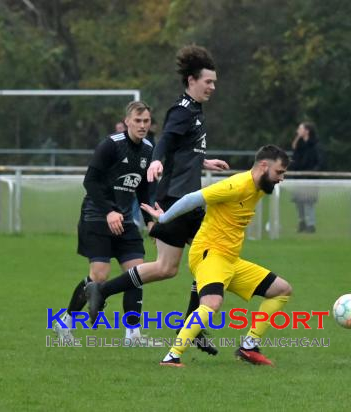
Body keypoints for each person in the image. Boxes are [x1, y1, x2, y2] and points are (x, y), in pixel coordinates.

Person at [85, 45, 229, 355]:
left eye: (214, 82)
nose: (213, 87)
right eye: (208, 82)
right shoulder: (182, 110)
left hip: (189, 198)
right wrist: (157, 160)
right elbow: (164, 140)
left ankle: (191, 324)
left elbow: (182, 147)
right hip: (178, 200)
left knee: (198, 262)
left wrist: (204, 161)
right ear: (191, 80)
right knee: (180, 265)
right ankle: (105, 291)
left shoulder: (195, 109)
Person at [140, 145, 292, 367]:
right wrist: (162, 219)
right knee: (212, 303)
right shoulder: (236, 185)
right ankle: (171, 357)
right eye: (279, 172)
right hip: (208, 254)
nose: (282, 178)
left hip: (230, 260)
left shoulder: (260, 186)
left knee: (281, 290)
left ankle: (248, 347)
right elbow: (193, 198)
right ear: (263, 166)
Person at [53, 101, 155, 343]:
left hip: (126, 221)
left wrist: (150, 221)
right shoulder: (111, 145)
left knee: (136, 273)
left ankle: (133, 335)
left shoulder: (150, 149)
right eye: (137, 121)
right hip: (97, 216)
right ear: (127, 121)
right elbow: (90, 181)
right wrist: (109, 211)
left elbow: (142, 189)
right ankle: (64, 322)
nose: (142, 125)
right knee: (99, 276)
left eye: (146, 121)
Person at [288, 122, 321, 233]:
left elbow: (319, 161)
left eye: (300, 129)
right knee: (299, 202)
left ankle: (311, 225)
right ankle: (302, 222)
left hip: (310, 177)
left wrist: (313, 173)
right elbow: (294, 154)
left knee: (308, 202)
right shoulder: (300, 144)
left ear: (307, 131)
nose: (298, 130)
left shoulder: (315, 145)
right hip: (298, 177)